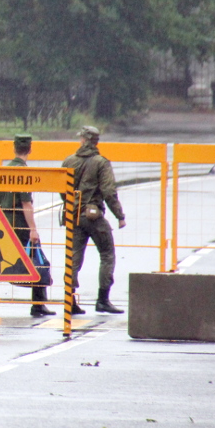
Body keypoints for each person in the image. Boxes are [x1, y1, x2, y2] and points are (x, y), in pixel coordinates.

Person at [62, 125, 126, 314]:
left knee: (73, 258)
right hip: (93, 216)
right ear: (96, 141)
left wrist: (72, 205)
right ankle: (103, 300)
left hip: (74, 216)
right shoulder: (101, 163)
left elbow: (61, 189)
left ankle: (70, 300)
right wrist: (119, 216)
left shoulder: (68, 162)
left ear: (83, 140)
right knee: (107, 254)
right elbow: (108, 191)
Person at [0, 134, 53, 317]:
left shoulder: (4, 170)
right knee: (36, 259)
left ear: (14, 148)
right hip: (19, 221)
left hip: (3, 220)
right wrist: (33, 229)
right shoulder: (23, 172)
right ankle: (38, 304)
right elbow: (26, 204)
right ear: (30, 149)